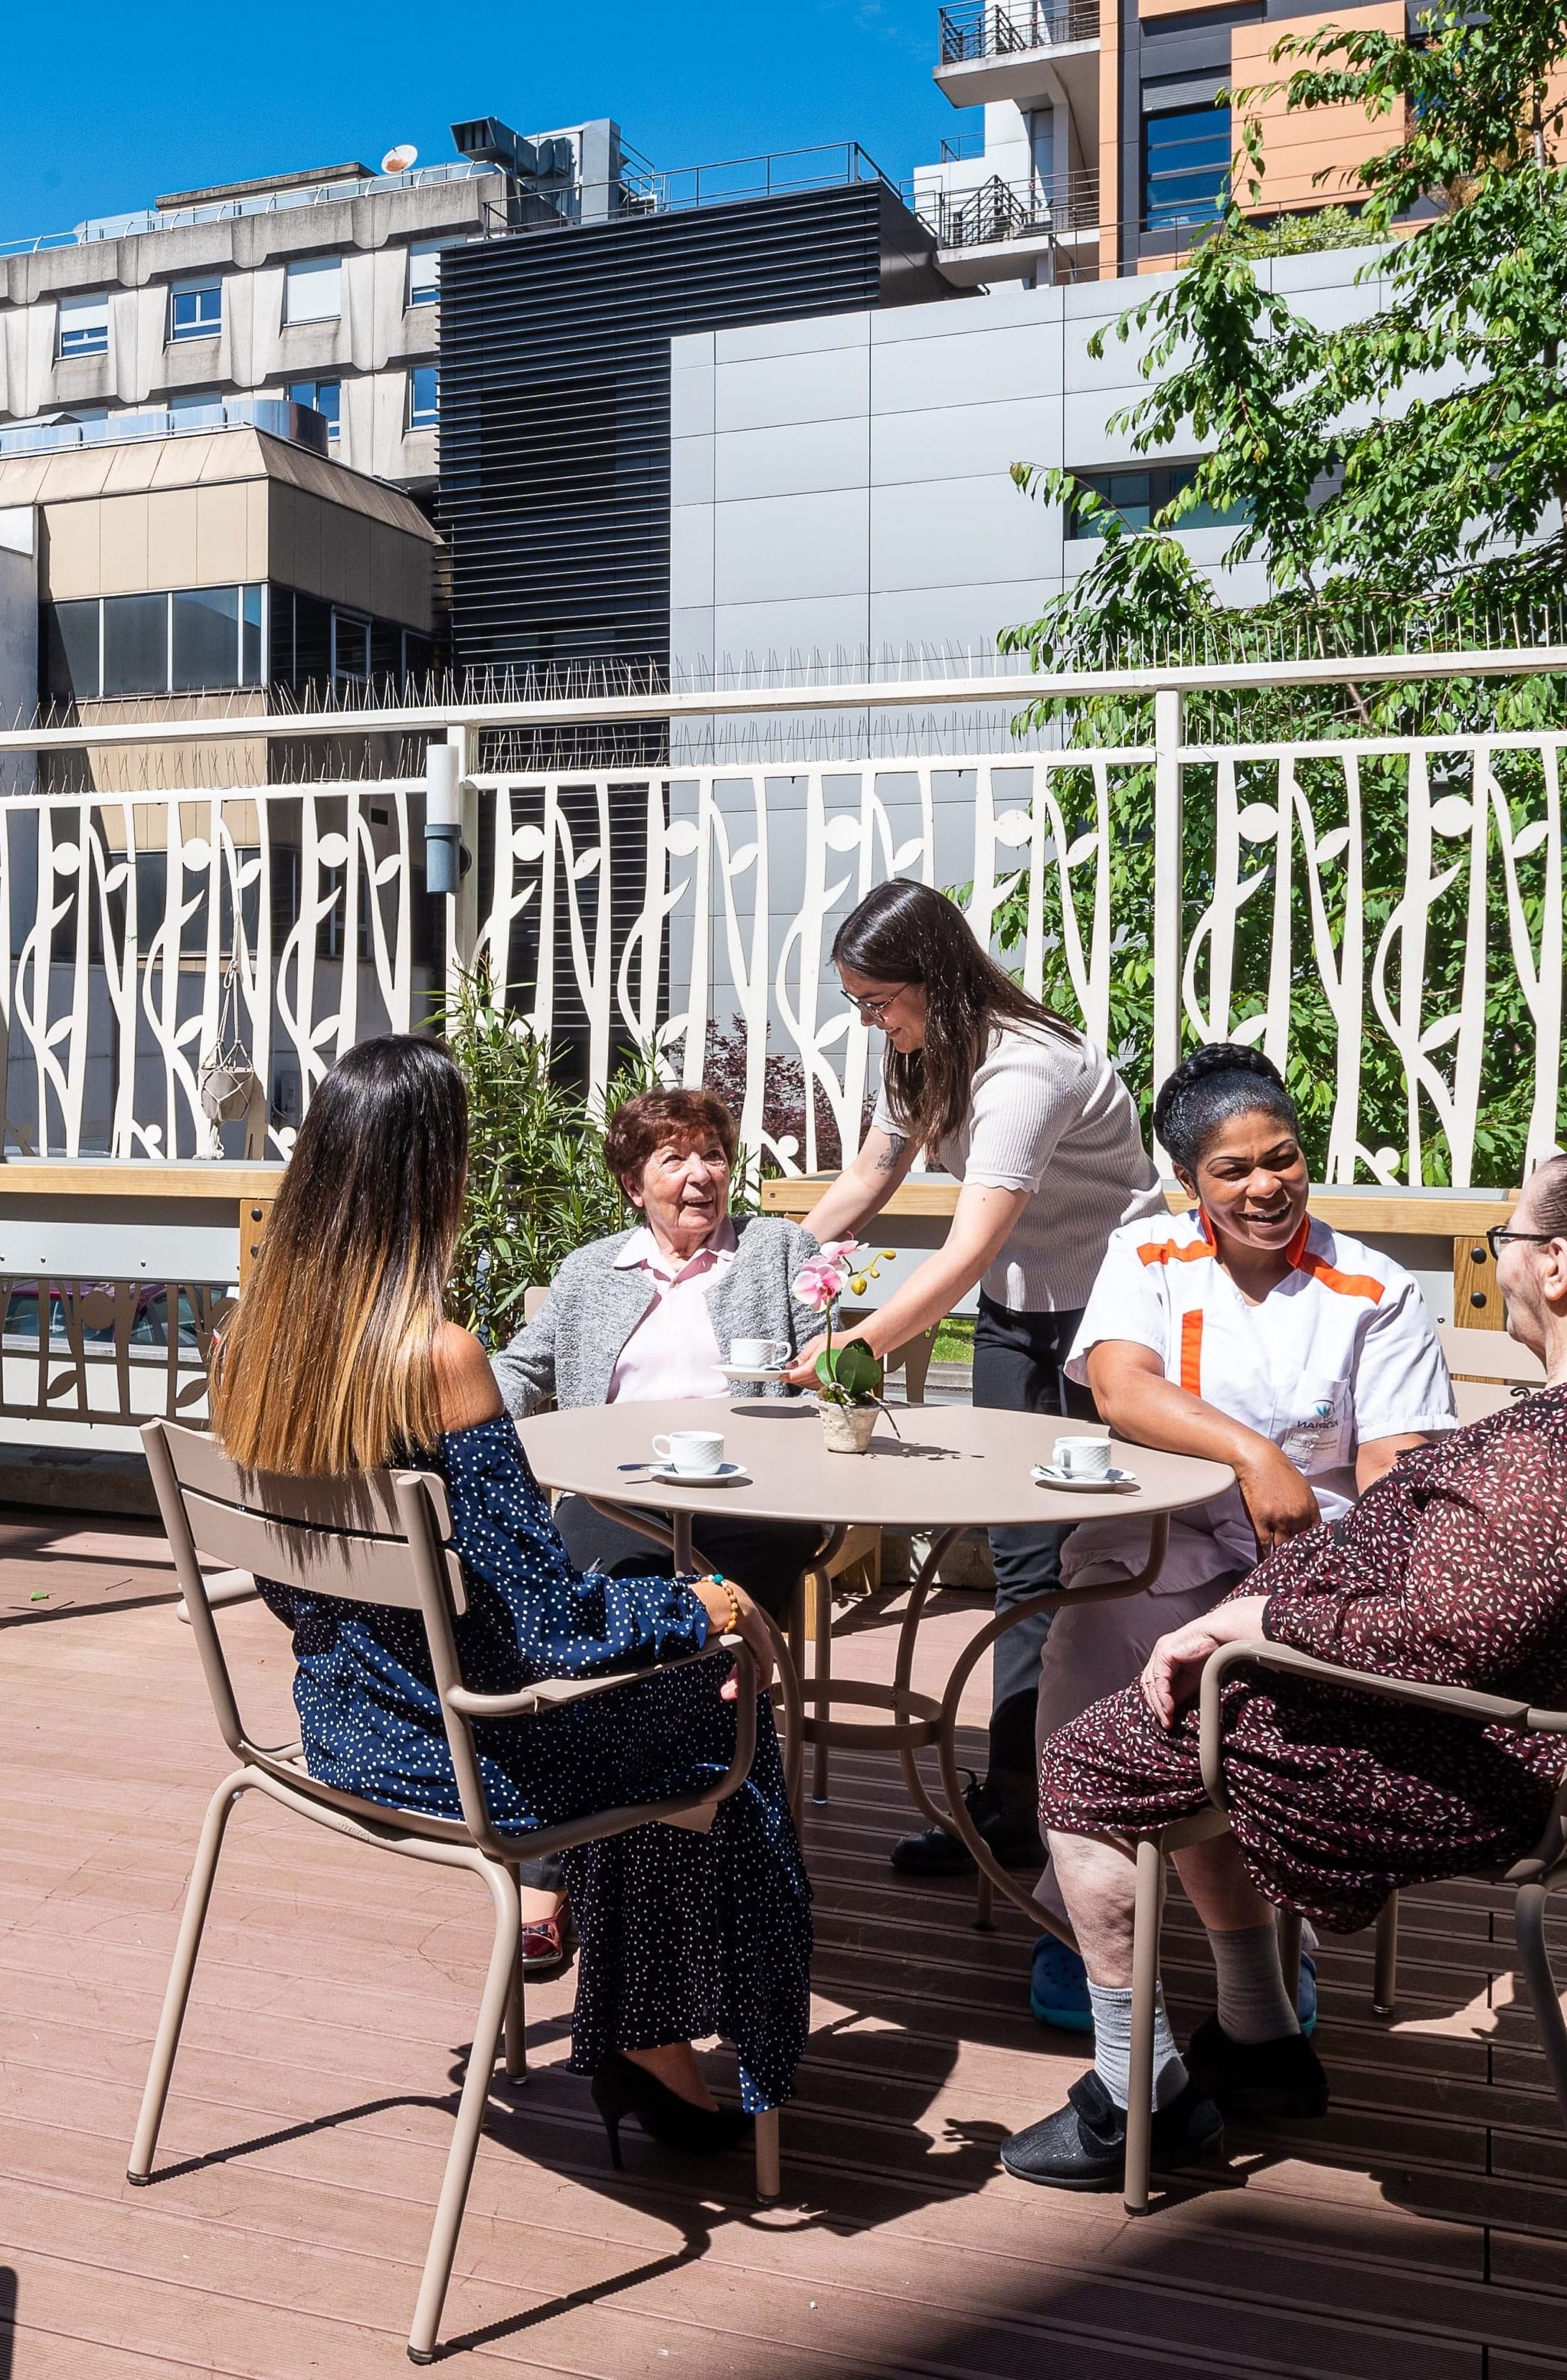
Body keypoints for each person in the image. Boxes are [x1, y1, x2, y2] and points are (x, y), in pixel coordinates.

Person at [999, 1145, 1567, 2192]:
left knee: (1094, 1760)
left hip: (1501, 1765)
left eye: (1509, 1241)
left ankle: (1139, 2095)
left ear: (1559, 1269)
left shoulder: (1558, 1444)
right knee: (1196, 1722)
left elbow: (1445, 1639)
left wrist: (1255, 1619)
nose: (1498, 1265)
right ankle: (1259, 2035)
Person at [215, 1036, 810, 2156]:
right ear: (434, 1175)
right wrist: (710, 1606)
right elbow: (551, 1630)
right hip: (463, 1747)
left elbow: (285, 1592)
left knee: (651, 1715)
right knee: (712, 1710)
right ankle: (665, 2051)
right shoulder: (435, 1354)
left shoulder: (258, 1341)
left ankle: (647, 2042)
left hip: (337, 1723)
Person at [1022, 1043, 1457, 2033]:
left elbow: (1393, 1472)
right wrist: (1254, 1454)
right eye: (1233, 1168)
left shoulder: (1374, 1287)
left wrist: (1329, 1576)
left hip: (1303, 1567)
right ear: (1188, 1183)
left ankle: (1271, 1944)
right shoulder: (1147, 1255)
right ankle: (1071, 1919)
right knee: (1082, 1647)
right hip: (1156, 1541)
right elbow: (1118, 1384)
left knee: (1256, 1699)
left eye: (1283, 1157)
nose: (1266, 1184)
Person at [790, 876, 1166, 1875]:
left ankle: (1098, 1797)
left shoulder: (1024, 1069)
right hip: (1017, 1314)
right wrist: (773, 1269)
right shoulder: (917, 1053)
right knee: (1020, 1559)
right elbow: (869, 1177)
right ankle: (1012, 1801)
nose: (870, 1021)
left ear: (937, 978)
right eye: (858, 1004)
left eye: (878, 1001)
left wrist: (853, 1343)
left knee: (1098, 1561)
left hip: (1113, 1325)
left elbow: (958, 1252)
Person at [493, 1086, 827, 1976]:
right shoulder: (589, 1269)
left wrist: (828, 1362)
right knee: (570, 1637)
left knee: (681, 1645)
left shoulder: (777, 1251)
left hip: (754, 1500)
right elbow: (523, 1370)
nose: (700, 1174)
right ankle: (563, 1874)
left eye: (711, 1152)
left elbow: (829, 1356)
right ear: (632, 1183)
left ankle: (673, 1883)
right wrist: (439, 1401)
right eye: (673, 1158)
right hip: (613, 1498)